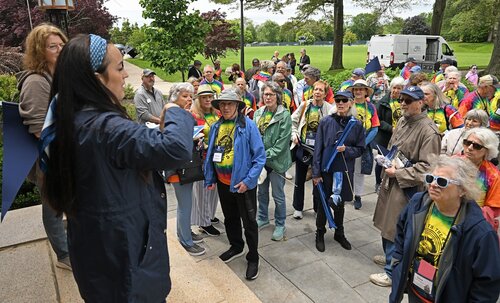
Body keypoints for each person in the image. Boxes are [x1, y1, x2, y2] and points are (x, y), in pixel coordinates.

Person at [43, 34, 194, 301]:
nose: (125, 75)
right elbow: (176, 149)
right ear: (97, 78)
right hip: (127, 263)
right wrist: (174, 110)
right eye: (120, 67)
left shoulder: (70, 118)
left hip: (96, 254)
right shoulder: (106, 128)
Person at [389, 155, 500, 303]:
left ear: (462, 190)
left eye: (442, 181)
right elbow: (401, 233)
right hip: (416, 290)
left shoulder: (481, 233)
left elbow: (487, 286)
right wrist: (397, 264)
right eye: (430, 178)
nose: (433, 184)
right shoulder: (418, 203)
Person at [371, 86, 441, 288]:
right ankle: (389, 258)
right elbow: (395, 147)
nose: (402, 103)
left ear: (421, 102)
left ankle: (393, 272)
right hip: (391, 179)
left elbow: (428, 168)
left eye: (408, 100)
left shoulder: (429, 131)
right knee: (386, 222)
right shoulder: (403, 120)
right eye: (401, 99)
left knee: (396, 227)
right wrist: (385, 159)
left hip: (407, 188)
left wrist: (399, 173)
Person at [17, 23, 71, 271]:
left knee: (68, 201)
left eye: (61, 44)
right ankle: (64, 255)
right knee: (53, 208)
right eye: (53, 46)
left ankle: (72, 242)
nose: (60, 49)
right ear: (40, 51)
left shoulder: (59, 76)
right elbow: (41, 130)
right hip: (50, 158)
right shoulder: (37, 81)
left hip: (66, 154)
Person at [204, 89, 266, 280]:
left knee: (249, 223)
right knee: (230, 218)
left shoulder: (248, 126)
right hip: (223, 184)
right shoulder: (216, 126)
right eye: (222, 104)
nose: (226, 107)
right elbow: (211, 153)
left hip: (242, 185)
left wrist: (248, 182)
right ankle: (236, 246)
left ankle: (253, 257)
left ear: (238, 106)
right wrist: (210, 178)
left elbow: (260, 157)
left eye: (230, 103)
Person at [312, 90, 365, 252]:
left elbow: (360, 149)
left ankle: (339, 233)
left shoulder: (356, 124)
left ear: (350, 103)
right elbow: (318, 148)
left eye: (344, 100)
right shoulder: (326, 121)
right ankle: (319, 233)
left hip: (344, 171)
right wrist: (316, 173)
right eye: (337, 100)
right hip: (326, 169)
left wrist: (346, 150)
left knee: (340, 204)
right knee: (323, 203)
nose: (340, 103)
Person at [165, 83, 207, 255]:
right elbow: (173, 143)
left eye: (191, 96)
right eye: (185, 96)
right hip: (177, 170)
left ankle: (185, 232)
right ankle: (186, 241)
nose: (189, 99)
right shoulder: (173, 115)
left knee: (186, 205)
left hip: (184, 168)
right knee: (185, 206)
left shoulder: (182, 114)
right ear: (175, 97)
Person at [291, 80, 336, 219]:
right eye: (315, 89)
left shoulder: (330, 109)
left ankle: (317, 207)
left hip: (320, 152)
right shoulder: (305, 105)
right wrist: (294, 134)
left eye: (321, 90)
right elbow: (292, 121)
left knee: (318, 180)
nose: (317, 92)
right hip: (303, 148)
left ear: (325, 93)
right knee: (299, 179)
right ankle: (298, 208)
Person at [253, 82, 292, 241]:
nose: (267, 97)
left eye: (271, 94)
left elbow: (282, 145)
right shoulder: (258, 113)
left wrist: (261, 156)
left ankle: (280, 224)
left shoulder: (285, 115)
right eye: (265, 94)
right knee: (261, 192)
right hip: (261, 163)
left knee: (278, 195)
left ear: (278, 96)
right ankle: (262, 218)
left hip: (276, 164)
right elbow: (254, 137)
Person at [190, 84, 222, 237]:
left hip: (217, 157)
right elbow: (193, 137)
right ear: (199, 99)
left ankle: (209, 215)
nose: (208, 99)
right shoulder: (195, 115)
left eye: (210, 96)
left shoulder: (216, 113)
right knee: (203, 191)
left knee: (214, 189)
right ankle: (204, 222)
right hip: (202, 159)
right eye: (204, 97)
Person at [347, 79, 380, 210]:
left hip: (363, 145)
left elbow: (375, 127)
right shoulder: (348, 104)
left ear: (366, 91)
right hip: (348, 144)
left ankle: (358, 196)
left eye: (361, 89)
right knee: (346, 169)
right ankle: (345, 193)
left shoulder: (371, 107)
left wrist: (363, 143)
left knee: (359, 171)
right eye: (356, 89)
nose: (358, 91)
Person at [462, 127, 500, 230]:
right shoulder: (452, 162)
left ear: (487, 151)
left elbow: (493, 209)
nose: (469, 148)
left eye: (477, 146)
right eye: (467, 142)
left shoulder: (493, 175)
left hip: (474, 224)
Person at [373, 77, 404, 193]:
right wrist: (391, 128)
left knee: (396, 160)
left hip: (400, 136)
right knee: (382, 160)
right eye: (394, 88)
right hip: (386, 136)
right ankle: (378, 182)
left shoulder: (404, 101)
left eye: (399, 88)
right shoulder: (383, 102)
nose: (396, 91)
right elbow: (378, 120)